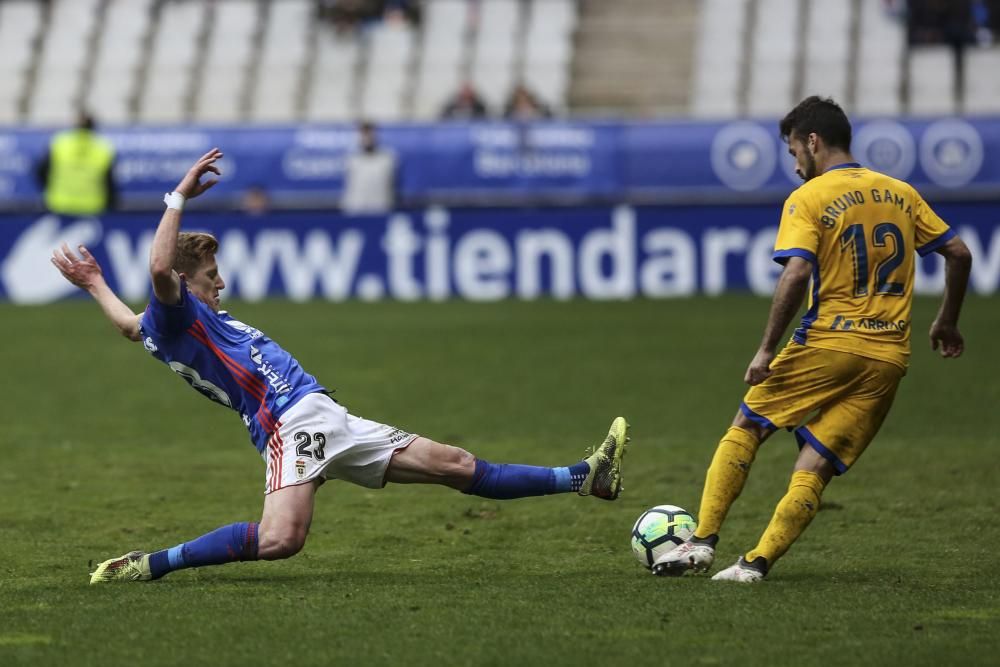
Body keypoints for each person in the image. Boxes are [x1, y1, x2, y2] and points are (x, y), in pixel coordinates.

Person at [51, 149, 629, 584]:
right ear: (183, 282)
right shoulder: (176, 315)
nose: (220, 282)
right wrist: (177, 196)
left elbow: (131, 328)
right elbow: (157, 273)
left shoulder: (159, 325)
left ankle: (582, 477)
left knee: (456, 464)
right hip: (289, 424)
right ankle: (147, 566)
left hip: (327, 418)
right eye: (209, 277)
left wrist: (95, 283)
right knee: (281, 540)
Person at [652, 96, 972, 582]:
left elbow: (797, 271)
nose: (794, 163)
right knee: (815, 465)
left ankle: (700, 542)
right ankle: (755, 564)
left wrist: (766, 348)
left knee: (749, 423)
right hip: (888, 358)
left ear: (813, 142)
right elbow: (960, 252)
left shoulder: (811, 197)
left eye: (793, 150)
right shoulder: (900, 192)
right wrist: (946, 321)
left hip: (828, 341)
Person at [37, 111, 117, 217]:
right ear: (94, 126)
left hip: (60, 204)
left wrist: (50, 190)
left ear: (75, 126)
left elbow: (41, 171)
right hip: (92, 207)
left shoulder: (60, 143)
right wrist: (112, 204)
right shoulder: (104, 148)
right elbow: (109, 182)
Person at [341, 121, 397, 214]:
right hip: (356, 210)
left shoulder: (387, 158)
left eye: (370, 133)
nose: (368, 137)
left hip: (380, 210)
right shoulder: (351, 159)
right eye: (364, 133)